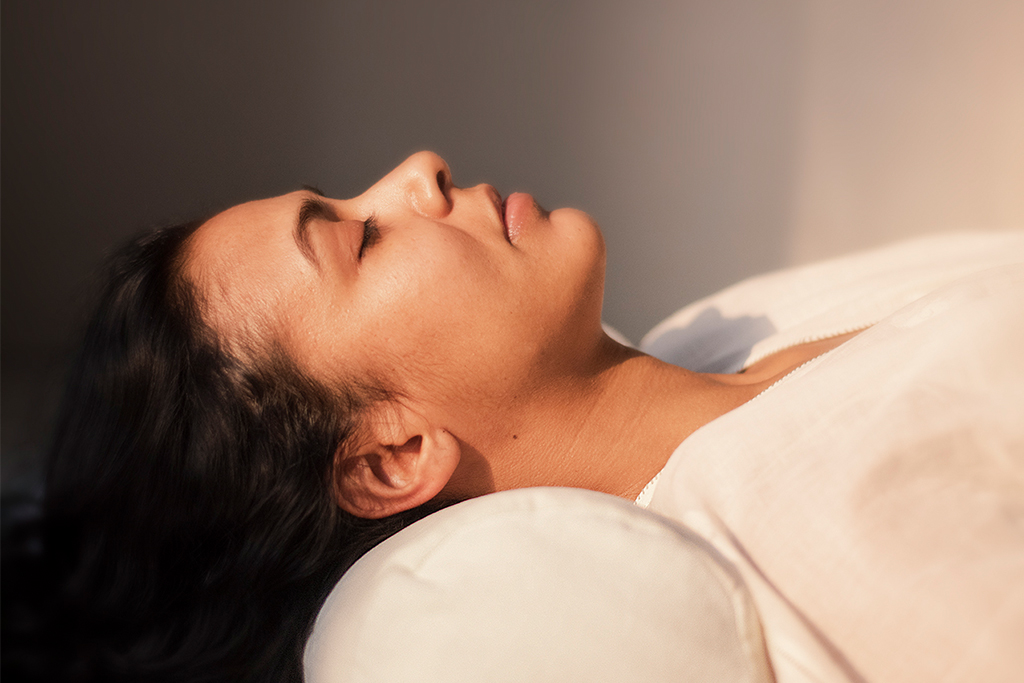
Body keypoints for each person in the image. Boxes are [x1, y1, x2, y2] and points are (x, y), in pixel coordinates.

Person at [4, 152, 1020, 682]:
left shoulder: (731, 323)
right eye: (360, 239)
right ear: (393, 453)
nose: (420, 169)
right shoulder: (796, 529)